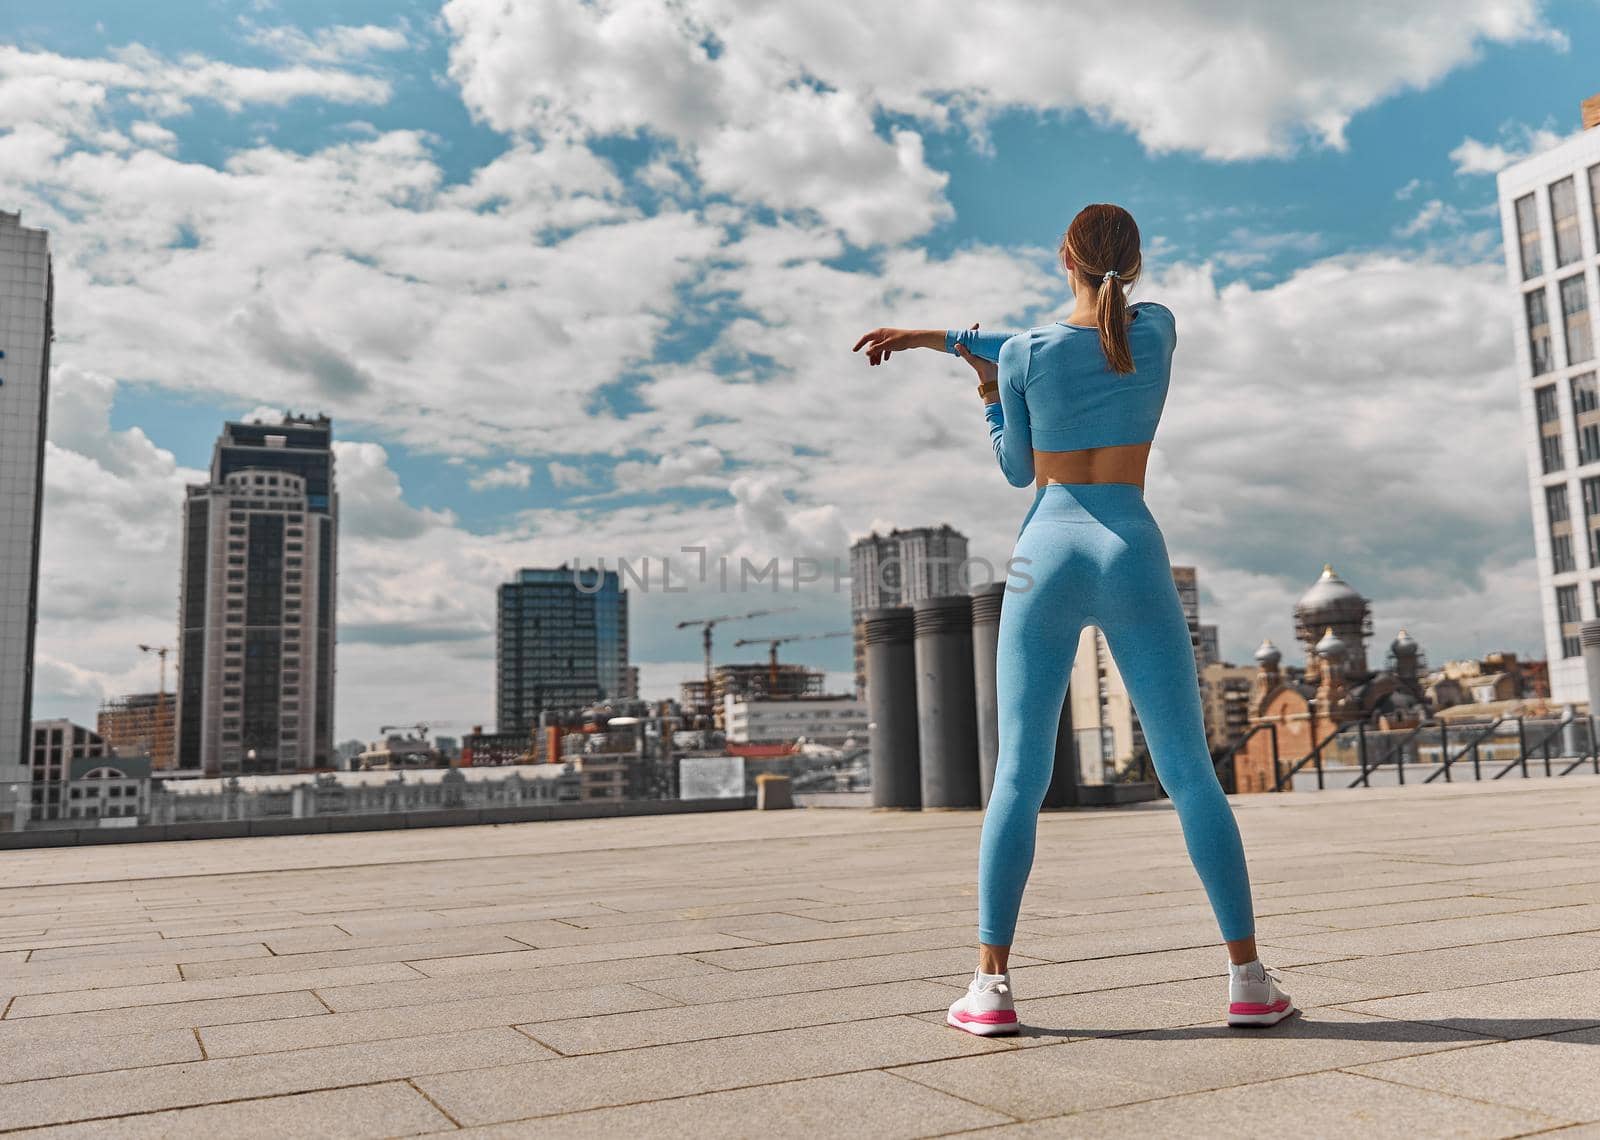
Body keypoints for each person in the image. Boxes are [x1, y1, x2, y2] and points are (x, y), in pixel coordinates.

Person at [851, 203, 1295, 1036]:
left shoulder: (1023, 355)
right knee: (1190, 772)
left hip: (1043, 551)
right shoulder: (1157, 330)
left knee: (1016, 774)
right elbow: (1082, 333)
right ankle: (1247, 981)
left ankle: (990, 990)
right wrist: (939, 338)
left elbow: (1017, 467)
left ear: (1063, 256)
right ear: (1136, 263)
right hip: (1131, 544)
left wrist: (973, 376)